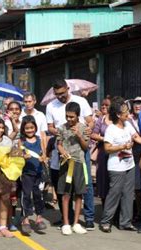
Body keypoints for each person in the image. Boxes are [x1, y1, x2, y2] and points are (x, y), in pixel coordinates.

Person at [46, 79, 95, 230]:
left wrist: (87, 130)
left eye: (62, 93)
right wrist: (62, 131)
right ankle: (67, 219)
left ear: (68, 88)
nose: (59, 96)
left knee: (84, 185)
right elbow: (50, 127)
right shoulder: (50, 106)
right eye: (56, 94)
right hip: (63, 151)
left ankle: (88, 217)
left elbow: (90, 121)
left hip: (80, 150)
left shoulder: (80, 101)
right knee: (64, 187)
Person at [100, 98, 141, 232]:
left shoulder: (128, 125)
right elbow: (107, 148)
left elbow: (137, 138)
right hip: (116, 167)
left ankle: (125, 222)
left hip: (129, 165)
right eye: (126, 112)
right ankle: (106, 221)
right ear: (118, 114)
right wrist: (122, 146)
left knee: (128, 194)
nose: (128, 114)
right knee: (115, 193)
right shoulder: (111, 129)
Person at [56, 102, 89, 235]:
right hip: (65, 163)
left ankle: (76, 223)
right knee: (65, 194)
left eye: (72, 117)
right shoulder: (62, 128)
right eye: (67, 116)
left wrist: (79, 136)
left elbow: (86, 147)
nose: (69, 119)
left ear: (78, 116)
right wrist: (62, 150)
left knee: (79, 194)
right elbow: (58, 144)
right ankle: (66, 223)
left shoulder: (83, 128)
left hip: (79, 163)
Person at [19, 115, 47, 235]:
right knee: (26, 195)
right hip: (26, 173)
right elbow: (17, 153)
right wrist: (23, 156)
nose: (30, 130)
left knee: (38, 195)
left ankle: (39, 217)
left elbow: (44, 153)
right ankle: (25, 219)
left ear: (35, 127)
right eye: (27, 128)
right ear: (23, 129)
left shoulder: (39, 140)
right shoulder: (22, 141)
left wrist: (43, 158)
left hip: (39, 172)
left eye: (32, 128)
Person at [90, 98, 111, 203]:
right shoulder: (100, 119)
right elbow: (93, 134)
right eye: (102, 105)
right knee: (102, 180)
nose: (104, 107)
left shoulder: (117, 119)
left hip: (115, 153)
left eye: (107, 105)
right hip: (103, 152)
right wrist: (104, 139)